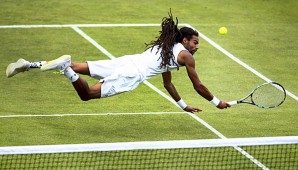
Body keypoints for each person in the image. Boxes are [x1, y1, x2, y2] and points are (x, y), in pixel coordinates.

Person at [6, 11, 230, 112]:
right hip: (131, 75)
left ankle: (29, 64)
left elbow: (167, 84)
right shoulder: (186, 56)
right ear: (185, 40)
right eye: (195, 42)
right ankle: (66, 70)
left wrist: (183, 106)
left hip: (125, 62)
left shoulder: (166, 48)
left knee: (79, 65)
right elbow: (197, 85)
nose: (196, 47)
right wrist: (216, 102)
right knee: (87, 94)